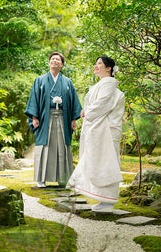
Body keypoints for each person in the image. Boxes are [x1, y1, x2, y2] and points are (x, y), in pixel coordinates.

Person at [67, 56, 125, 211]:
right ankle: (103, 199)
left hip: (106, 130)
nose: (96, 65)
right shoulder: (102, 84)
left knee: (107, 164)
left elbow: (102, 103)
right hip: (99, 128)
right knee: (99, 162)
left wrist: (87, 112)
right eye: (96, 63)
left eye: (100, 63)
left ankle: (108, 201)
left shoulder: (109, 85)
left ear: (109, 68)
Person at [25, 52, 82, 188]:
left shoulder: (67, 82)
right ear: (49, 62)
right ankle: (41, 179)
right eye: (52, 59)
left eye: (58, 59)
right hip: (45, 118)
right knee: (45, 147)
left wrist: (74, 119)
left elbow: (74, 102)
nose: (55, 61)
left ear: (62, 64)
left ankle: (62, 179)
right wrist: (34, 117)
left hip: (63, 117)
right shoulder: (40, 80)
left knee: (62, 146)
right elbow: (34, 99)